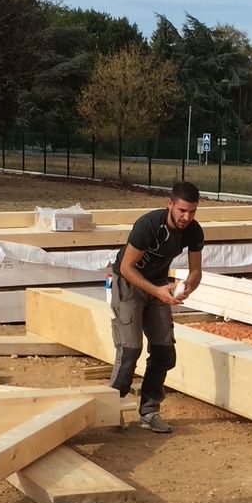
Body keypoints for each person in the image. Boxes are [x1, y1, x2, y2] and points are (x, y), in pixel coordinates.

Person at [108, 182, 204, 432]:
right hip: (129, 282)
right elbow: (126, 268)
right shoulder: (148, 225)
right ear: (169, 204)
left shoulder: (194, 231)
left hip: (159, 283)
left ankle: (149, 412)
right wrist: (156, 291)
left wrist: (189, 285)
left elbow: (196, 270)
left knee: (164, 350)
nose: (187, 217)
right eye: (182, 210)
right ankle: (112, 408)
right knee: (130, 349)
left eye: (192, 211)